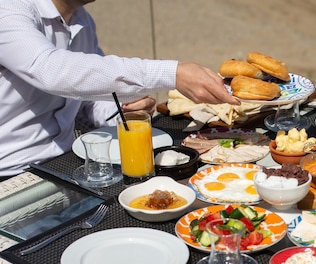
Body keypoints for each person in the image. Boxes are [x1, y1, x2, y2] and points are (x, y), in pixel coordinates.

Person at [0, 0, 239, 178]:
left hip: (67, 166)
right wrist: (171, 73)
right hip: (11, 174)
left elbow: (87, 105)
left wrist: (123, 111)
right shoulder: (9, 8)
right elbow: (51, 71)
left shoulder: (83, 20)